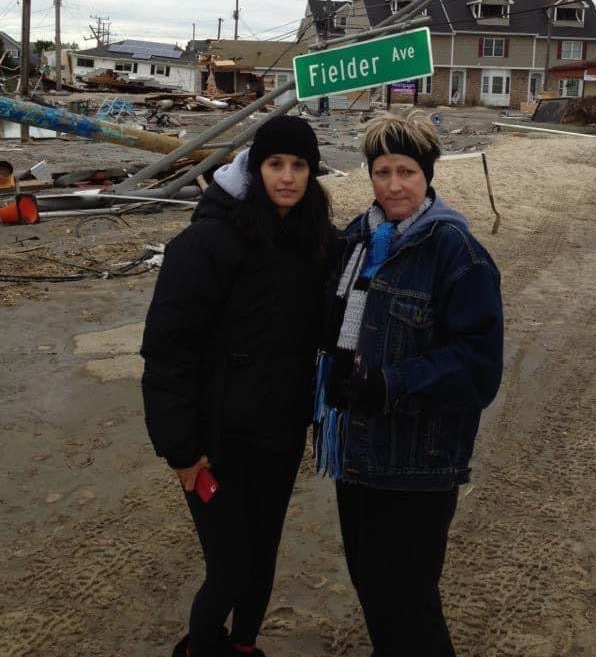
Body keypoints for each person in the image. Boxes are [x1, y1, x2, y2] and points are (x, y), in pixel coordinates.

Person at [142, 115, 335, 657]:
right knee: (229, 566)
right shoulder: (205, 242)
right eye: (276, 164)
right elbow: (166, 353)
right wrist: (182, 450)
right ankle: (201, 648)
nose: (289, 177)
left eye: (300, 166)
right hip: (216, 439)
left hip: (277, 433)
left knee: (263, 555)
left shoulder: (316, 241)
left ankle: (244, 647)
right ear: (255, 168)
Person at [315, 111, 503, 657]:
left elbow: (477, 368)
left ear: (428, 175)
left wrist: (390, 383)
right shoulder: (356, 239)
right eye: (381, 172)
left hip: (419, 460)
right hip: (355, 449)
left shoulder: (457, 254)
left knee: (410, 602)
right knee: (373, 591)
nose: (393, 185)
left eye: (406, 172)